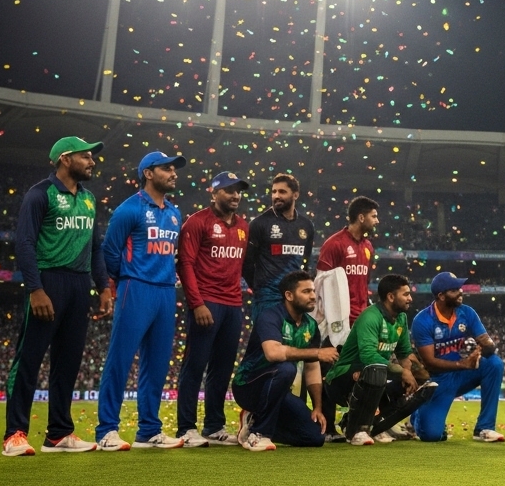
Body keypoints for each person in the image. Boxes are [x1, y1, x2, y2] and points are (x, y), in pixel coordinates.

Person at [3, 136, 112, 457]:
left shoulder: (90, 198)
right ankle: (15, 434)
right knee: (29, 361)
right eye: (86, 156)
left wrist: (103, 287)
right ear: (65, 158)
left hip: (80, 286)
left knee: (69, 361)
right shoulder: (40, 195)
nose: (92, 162)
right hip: (47, 282)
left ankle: (59, 434)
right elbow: (24, 244)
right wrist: (35, 289)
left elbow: (95, 248)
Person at [95, 151, 187, 450]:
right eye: (166, 169)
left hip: (165, 291)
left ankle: (149, 430)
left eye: (174, 169)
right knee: (119, 361)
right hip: (136, 288)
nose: (173, 173)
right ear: (148, 173)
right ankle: (107, 430)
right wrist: (127, 277)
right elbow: (109, 251)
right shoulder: (128, 209)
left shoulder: (174, 212)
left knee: (158, 364)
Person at [175, 171, 250, 447]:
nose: (235, 195)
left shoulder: (244, 226)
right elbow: (185, 264)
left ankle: (214, 426)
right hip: (206, 303)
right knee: (195, 365)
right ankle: (186, 428)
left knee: (222, 368)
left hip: (233, 304)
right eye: (229, 190)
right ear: (214, 192)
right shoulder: (197, 222)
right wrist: (196, 303)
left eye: (238, 190)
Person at [233, 271, 340, 451]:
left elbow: (312, 367)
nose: (313, 296)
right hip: (248, 386)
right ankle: (259, 434)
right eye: (306, 292)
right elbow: (272, 354)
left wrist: (317, 408)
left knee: (315, 437)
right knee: (285, 369)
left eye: (313, 291)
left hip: (279, 390)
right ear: (289, 295)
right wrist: (317, 352)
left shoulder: (311, 325)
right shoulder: (270, 316)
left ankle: (252, 424)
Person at [323, 274, 421, 445]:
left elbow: (404, 353)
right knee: (375, 369)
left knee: (417, 378)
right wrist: (402, 371)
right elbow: (368, 356)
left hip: (375, 377)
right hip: (342, 378)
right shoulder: (370, 317)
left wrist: (414, 374)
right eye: (405, 294)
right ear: (391, 297)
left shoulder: (401, 318)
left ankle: (357, 422)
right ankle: (359, 430)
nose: (410, 298)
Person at [411, 271, 505, 443]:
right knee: (431, 436)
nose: (461, 292)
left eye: (459, 288)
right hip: (437, 381)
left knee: (494, 364)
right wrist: (462, 364)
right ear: (441, 295)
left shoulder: (466, 312)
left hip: (460, 375)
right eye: (454, 290)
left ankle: (484, 428)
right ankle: (416, 415)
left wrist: (487, 346)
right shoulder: (423, 320)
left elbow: (487, 342)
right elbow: (430, 363)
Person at [243, 173, 314, 321]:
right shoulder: (259, 224)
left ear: (295, 195)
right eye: (274, 191)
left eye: (282, 192)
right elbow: (246, 264)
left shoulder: (306, 225)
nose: (276, 196)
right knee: (264, 342)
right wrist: (260, 289)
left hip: (295, 299)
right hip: (267, 299)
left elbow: (305, 263)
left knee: (294, 342)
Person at [317, 195, 378, 334]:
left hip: (361, 318)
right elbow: (320, 284)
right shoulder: (334, 244)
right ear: (361, 218)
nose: (377, 221)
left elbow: (364, 283)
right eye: (373, 216)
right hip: (338, 320)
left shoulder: (368, 246)